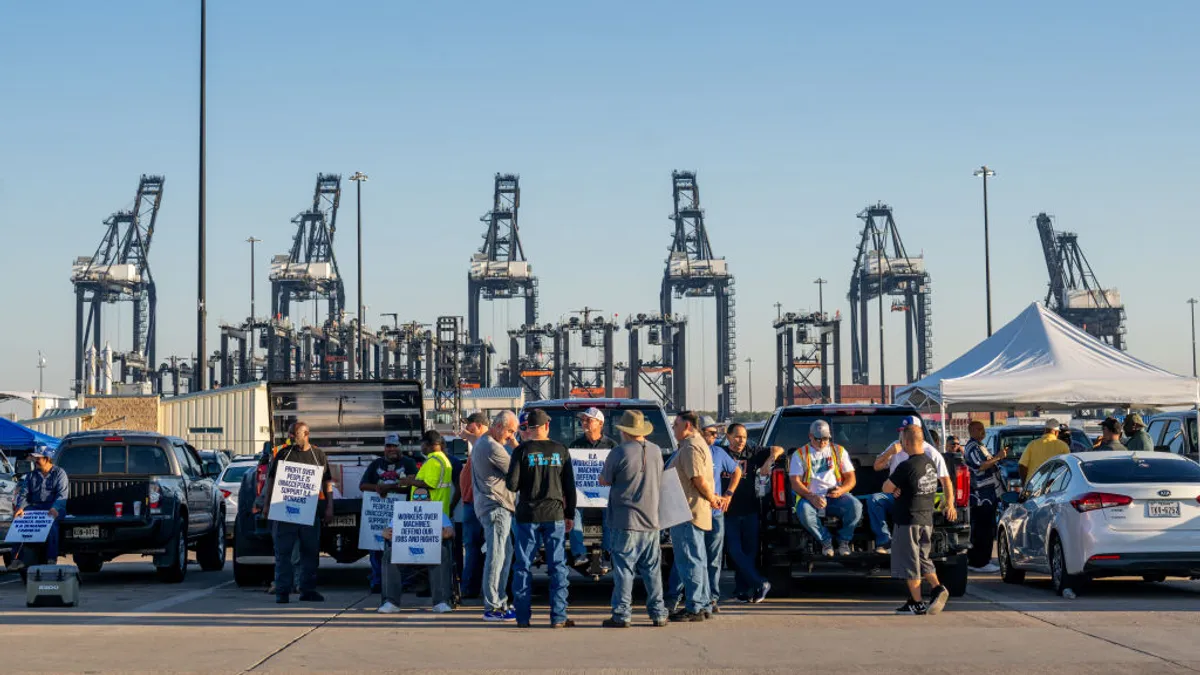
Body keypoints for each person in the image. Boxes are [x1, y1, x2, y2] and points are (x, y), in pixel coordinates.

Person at [505, 408, 577, 628]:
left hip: (527, 514)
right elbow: (569, 487)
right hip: (554, 514)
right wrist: (570, 513)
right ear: (547, 426)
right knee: (557, 566)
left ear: (529, 428)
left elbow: (512, 485)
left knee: (523, 566)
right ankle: (558, 617)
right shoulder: (561, 450)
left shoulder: (522, 451)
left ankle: (523, 618)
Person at [599, 410, 668, 628]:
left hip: (625, 520)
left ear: (625, 432)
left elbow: (604, 480)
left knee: (624, 569)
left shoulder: (619, 452)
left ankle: (622, 614)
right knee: (652, 570)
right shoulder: (657, 451)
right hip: (652, 520)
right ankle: (658, 613)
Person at [884, 421, 957, 616]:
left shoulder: (906, 465)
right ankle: (937, 588)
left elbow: (886, 488)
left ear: (906, 443)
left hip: (908, 519)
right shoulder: (930, 463)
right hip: (926, 518)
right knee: (923, 557)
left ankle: (916, 603)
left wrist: (895, 487)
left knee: (909, 561)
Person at [257, 421, 334, 604]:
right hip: (284, 513)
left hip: (310, 513)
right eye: (290, 434)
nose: (291, 437)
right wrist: (267, 506)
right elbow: (272, 481)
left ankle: (308, 590)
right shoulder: (284, 454)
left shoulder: (318, 456)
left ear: (306, 433)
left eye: (295, 434)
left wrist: (330, 506)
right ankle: (282, 591)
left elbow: (327, 483)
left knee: (310, 552)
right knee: (283, 553)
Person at [390, 430, 457, 612]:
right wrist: (414, 479)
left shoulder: (435, 460)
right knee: (433, 559)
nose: (421, 448)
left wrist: (409, 482)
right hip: (434, 513)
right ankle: (438, 596)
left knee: (431, 558)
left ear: (429, 444)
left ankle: (439, 598)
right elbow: (427, 481)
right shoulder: (441, 459)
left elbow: (430, 484)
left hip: (430, 515)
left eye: (422, 444)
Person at [866, 417, 952, 555]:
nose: (902, 435)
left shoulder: (931, 453)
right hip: (894, 496)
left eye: (905, 431)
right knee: (875, 500)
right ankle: (885, 541)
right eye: (901, 431)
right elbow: (877, 467)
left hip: (917, 501)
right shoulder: (895, 446)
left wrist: (950, 504)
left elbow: (945, 480)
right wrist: (890, 453)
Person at [666, 411, 719, 622]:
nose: (673, 428)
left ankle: (695, 605)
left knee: (689, 560)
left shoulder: (691, 447)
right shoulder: (696, 444)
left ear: (687, 425)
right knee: (698, 559)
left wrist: (712, 498)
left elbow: (698, 479)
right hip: (689, 510)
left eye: (676, 425)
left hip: (687, 511)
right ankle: (703, 603)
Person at [472, 411, 519, 622]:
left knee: (505, 552)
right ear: (498, 426)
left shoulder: (484, 442)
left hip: (493, 506)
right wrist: (517, 446)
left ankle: (500, 601)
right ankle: (492, 606)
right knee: (497, 554)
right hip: (496, 506)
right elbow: (518, 470)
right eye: (510, 431)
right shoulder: (492, 447)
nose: (510, 436)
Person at [790, 420, 861, 557]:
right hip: (810, 497)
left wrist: (841, 490)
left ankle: (843, 542)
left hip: (835, 495)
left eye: (826, 438)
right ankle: (825, 541)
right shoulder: (800, 454)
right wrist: (811, 496)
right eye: (818, 439)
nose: (822, 442)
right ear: (810, 436)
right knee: (804, 512)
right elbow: (795, 482)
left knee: (856, 506)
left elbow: (851, 478)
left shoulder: (838, 451)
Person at [359, 433, 419, 596]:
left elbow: (411, 486)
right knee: (377, 549)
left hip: (402, 512)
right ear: (384, 448)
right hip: (380, 513)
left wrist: (390, 488)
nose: (392, 449)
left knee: (401, 548)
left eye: (395, 446)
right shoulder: (376, 464)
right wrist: (377, 488)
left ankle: (404, 582)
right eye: (388, 446)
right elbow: (363, 485)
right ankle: (378, 582)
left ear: (401, 447)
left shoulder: (409, 463)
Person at [728, 423, 779, 603]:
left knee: (749, 553)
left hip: (750, 510)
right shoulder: (721, 453)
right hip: (729, 512)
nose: (740, 440)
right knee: (734, 550)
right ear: (728, 436)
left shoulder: (752, 451)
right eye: (737, 436)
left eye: (743, 437)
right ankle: (760, 583)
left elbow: (778, 449)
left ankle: (742, 590)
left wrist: (768, 461)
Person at [568, 407, 617, 572]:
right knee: (573, 511)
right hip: (581, 494)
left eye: (589, 420)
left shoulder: (612, 446)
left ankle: (607, 553)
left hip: (605, 494)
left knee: (609, 514)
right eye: (583, 420)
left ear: (600, 423)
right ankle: (579, 553)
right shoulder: (575, 445)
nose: (584, 423)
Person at [379, 510, 456, 614]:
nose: (419, 498)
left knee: (442, 551)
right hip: (406, 549)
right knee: (389, 553)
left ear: (429, 499)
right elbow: (386, 531)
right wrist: (385, 533)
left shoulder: (439, 513)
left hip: (431, 549)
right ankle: (390, 602)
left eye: (423, 496)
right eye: (416, 496)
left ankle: (441, 602)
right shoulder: (403, 512)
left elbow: (451, 531)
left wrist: (447, 532)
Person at [10, 445, 69, 570]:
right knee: (18, 523)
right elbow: (24, 493)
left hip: (53, 508)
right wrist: (20, 507)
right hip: (36, 507)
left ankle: (51, 558)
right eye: (35, 458)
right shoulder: (31, 475)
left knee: (52, 526)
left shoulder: (60, 473)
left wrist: (55, 508)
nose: (35, 461)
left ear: (47, 459)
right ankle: (17, 559)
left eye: (38, 458)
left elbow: (62, 495)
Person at [962, 421, 1004, 573]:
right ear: (971, 431)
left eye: (983, 429)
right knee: (982, 529)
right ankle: (979, 562)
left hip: (989, 495)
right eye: (979, 429)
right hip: (981, 496)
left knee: (987, 528)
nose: (982, 431)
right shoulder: (972, 447)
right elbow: (980, 465)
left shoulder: (980, 446)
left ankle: (982, 559)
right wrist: (998, 457)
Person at [1018, 418, 1070, 483]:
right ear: (1056, 432)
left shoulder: (1032, 444)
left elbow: (1022, 465)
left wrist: (1025, 483)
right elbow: (1067, 467)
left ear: (1045, 430)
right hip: (1054, 485)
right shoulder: (1063, 446)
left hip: (1033, 485)